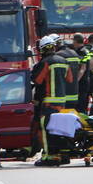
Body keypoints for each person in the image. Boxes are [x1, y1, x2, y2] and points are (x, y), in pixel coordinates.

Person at [31, 35, 73, 165]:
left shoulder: (45, 63)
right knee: (60, 129)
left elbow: (37, 80)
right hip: (62, 103)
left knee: (45, 129)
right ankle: (63, 155)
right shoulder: (64, 61)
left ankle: (47, 156)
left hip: (49, 103)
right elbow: (70, 80)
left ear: (42, 50)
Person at [56, 35, 82, 111]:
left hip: (63, 96)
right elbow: (81, 68)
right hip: (74, 94)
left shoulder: (58, 55)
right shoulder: (74, 53)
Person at [72, 33, 92, 113]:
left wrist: (75, 81)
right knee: (84, 104)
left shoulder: (81, 52)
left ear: (76, 41)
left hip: (81, 82)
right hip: (87, 80)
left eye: (73, 41)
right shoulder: (87, 51)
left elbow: (82, 69)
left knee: (80, 105)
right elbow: (90, 66)